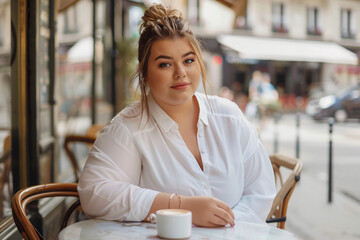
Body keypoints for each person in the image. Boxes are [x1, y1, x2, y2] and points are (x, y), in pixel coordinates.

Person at [78, 3, 276, 228]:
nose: (180, 72)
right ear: (144, 74)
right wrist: (181, 207)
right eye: (165, 64)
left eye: (188, 60)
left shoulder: (229, 116)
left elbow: (261, 193)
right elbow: (93, 192)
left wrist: (224, 225)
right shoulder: (128, 127)